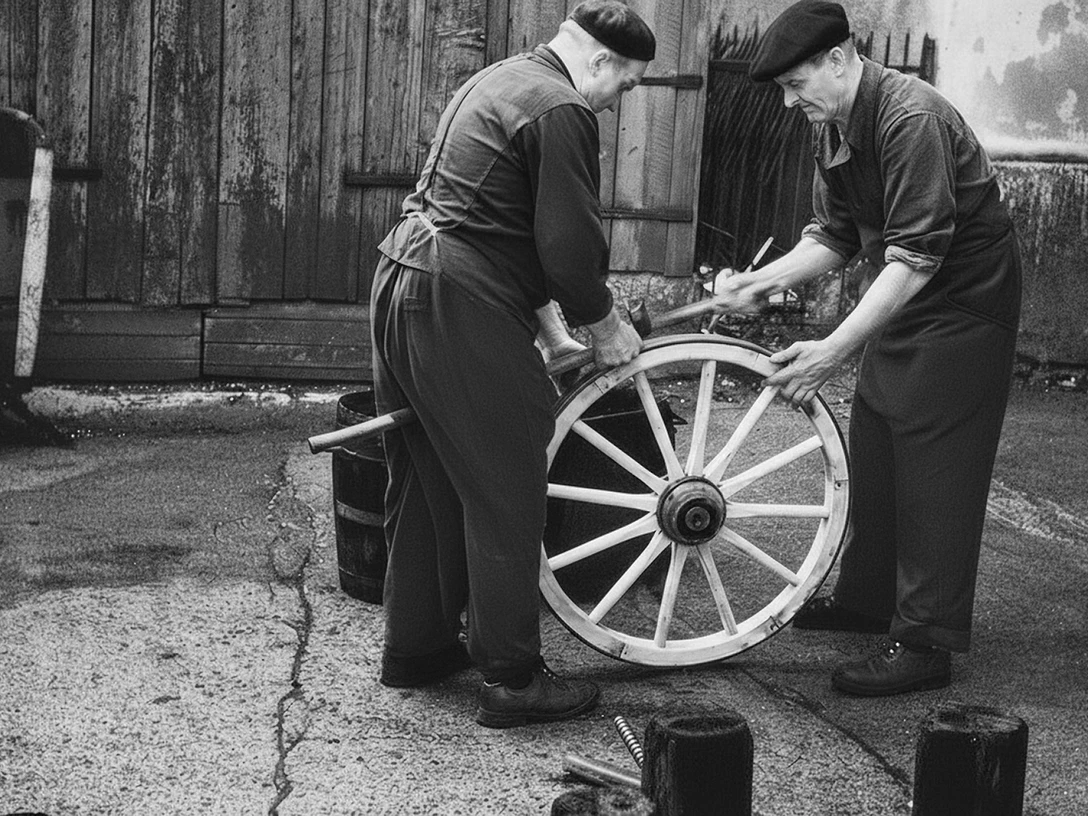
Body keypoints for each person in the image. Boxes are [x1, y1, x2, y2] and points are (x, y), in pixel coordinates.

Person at [713, 0, 1022, 695]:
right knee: (879, 428)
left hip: (965, 299)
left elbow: (915, 256)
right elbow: (833, 236)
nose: (792, 103)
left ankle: (925, 642)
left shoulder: (910, 117)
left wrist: (833, 347)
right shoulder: (835, 121)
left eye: (797, 85)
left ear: (839, 59)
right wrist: (756, 283)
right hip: (909, 285)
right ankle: (868, 598)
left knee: (936, 458)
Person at [369, 1, 654, 727]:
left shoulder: (497, 81)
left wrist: (552, 332)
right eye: (624, 85)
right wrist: (604, 325)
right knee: (507, 486)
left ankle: (418, 647)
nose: (617, 101)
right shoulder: (562, 107)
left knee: (426, 474)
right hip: (461, 298)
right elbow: (564, 247)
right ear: (602, 62)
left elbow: (501, 220)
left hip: (403, 276)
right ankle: (512, 680)